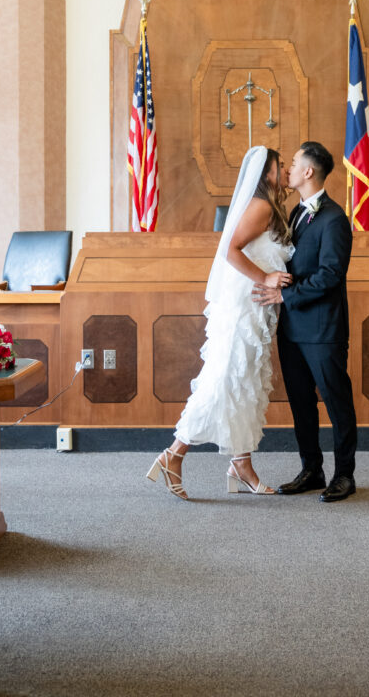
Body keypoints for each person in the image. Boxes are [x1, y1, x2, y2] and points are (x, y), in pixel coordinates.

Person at [146, 146, 293, 500]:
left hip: (254, 313)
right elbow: (231, 250)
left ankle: (241, 465)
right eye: (281, 165)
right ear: (267, 173)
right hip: (242, 312)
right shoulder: (259, 206)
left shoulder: (271, 207)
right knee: (223, 380)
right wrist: (266, 278)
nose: (286, 168)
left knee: (244, 384)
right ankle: (173, 455)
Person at [253, 141, 357, 503]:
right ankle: (312, 469)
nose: (289, 168)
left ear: (308, 172)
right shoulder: (295, 212)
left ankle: (345, 474)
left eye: (294, 163)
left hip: (323, 329)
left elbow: (331, 275)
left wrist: (285, 295)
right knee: (300, 402)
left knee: (336, 401)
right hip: (292, 328)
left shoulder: (334, 218)